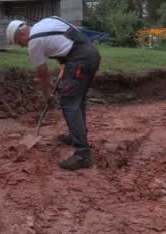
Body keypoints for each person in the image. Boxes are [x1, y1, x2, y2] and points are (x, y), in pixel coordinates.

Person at [6, 16, 101, 170]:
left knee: (69, 103)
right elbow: (68, 38)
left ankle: (83, 154)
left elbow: (43, 73)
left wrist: (46, 95)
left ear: (21, 35)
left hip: (79, 60)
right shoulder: (46, 21)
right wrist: (66, 65)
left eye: (19, 43)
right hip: (90, 55)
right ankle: (75, 135)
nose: (23, 46)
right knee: (78, 100)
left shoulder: (34, 42)